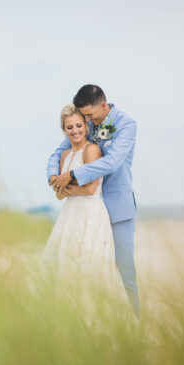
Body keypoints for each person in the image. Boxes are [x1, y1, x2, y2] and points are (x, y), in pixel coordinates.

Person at [47, 85, 140, 319]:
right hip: (87, 212)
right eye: (83, 116)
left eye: (89, 116)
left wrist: (73, 176)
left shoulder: (126, 125)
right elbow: (57, 153)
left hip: (116, 207)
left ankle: (133, 324)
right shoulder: (85, 122)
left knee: (123, 270)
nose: (86, 121)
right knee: (86, 267)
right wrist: (53, 177)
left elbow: (112, 162)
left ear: (103, 105)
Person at [41, 104, 122, 299]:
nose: (75, 131)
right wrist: (65, 188)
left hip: (91, 213)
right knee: (65, 266)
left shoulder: (92, 150)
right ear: (64, 130)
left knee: (89, 267)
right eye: (70, 127)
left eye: (78, 126)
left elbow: (91, 188)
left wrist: (67, 187)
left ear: (85, 126)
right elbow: (59, 194)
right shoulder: (64, 156)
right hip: (69, 215)